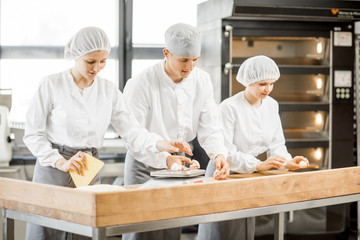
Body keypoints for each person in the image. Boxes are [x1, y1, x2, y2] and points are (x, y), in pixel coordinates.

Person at [23, 26, 190, 240]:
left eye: (103, 61)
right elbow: (33, 134)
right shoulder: (51, 84)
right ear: (76, 56)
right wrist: (59, 162)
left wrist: (163, 147)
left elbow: (133, 132)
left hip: (87, 166)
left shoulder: (108, 90)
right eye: (91, 62)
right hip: (53, 166)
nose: (98, 67)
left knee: (84, 230)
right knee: (46, 231)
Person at [122, 23, 230, 240]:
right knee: (142, 231)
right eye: (183, 60)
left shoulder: (202, 80)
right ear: (166, 53)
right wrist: (164, 153)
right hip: (144, 163)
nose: (190, 66)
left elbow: (210, 124)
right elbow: (132, 133)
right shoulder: (142, 83)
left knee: (171, 228)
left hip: (180, 164)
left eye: (195, 60)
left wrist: (218, 154)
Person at [197, 55, 309, 240]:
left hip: (251, 175)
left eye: (272, 83)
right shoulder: (229, 107)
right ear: (248, 81)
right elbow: (226, 152)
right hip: (225, 173)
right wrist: (258, 165)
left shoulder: (272, 105)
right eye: (262, 84)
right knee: (220, 232)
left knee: (245, 231)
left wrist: (288, 161)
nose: (268, 89)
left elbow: (276, 144)